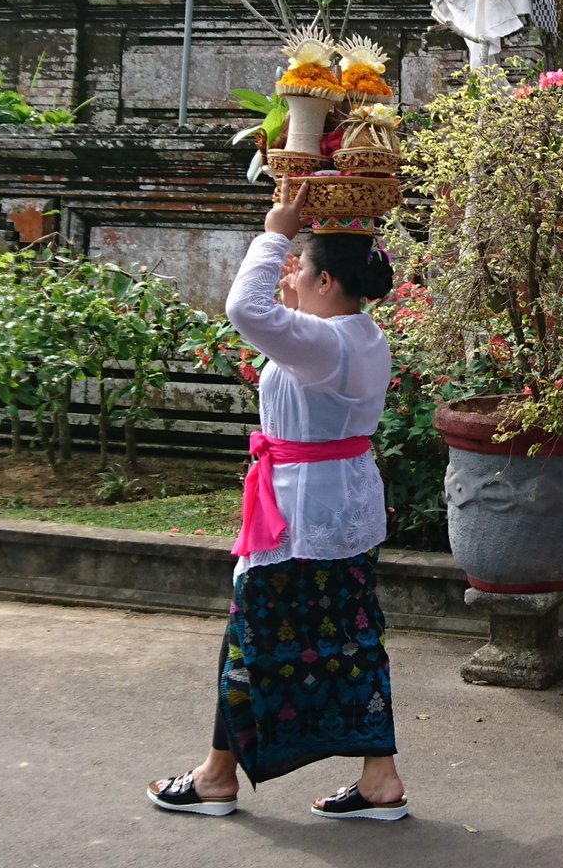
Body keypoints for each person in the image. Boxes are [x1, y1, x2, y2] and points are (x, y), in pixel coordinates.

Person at [148, 182, 406, 821]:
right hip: (336, 508)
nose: (292, 276)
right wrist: (295, 285)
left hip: (301, 515)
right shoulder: (359, 335)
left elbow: (244, 308)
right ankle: (379, 780)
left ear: (324, 284)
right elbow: (283, 330)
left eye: (302, 270)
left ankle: (215, 777)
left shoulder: (325, 344)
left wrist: (275, 230)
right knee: (353, 637)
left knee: (250, 638)